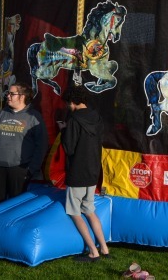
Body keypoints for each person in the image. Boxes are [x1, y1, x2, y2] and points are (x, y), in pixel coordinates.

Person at [60, 85, 110, 262]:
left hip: (78, 172)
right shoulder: (96, 117)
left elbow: (69, 147)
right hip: (93, 171)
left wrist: (64, 130)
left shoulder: (74, 120)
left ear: (72, 101)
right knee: (90, 210)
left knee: (74, 212)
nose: (68, 106)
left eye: (68, 103)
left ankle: (92, 251)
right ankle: (104, 248)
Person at [0, 82, 48, 203]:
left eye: (12, 94)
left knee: (15, 203)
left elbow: (41, 145)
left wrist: (32, 169)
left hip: (19, 169)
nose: (8, 96)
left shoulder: (33, 117)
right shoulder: (3, 113)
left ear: (22, 96)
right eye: (7, 93)